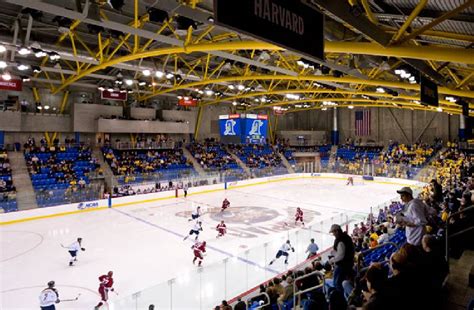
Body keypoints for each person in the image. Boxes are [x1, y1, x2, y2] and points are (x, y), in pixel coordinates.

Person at [329, 224, 355, 292]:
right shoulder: (346, 237)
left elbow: (340, 256)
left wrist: (332, 260)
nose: (333, 234)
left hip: (343, 265)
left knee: (337, 283)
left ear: (337, 231)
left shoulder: (340, 241)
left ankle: (341, 299)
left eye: (333, 232)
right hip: (348, 263)